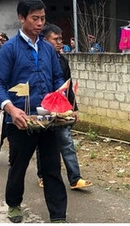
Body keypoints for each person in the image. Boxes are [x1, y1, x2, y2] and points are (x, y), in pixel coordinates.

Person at [0, 0, 67, 223]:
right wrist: (11, 110)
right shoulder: (9, 50)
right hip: (20, 119)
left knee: (52, 168)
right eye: (35, 18)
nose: (40, 23)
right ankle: (14, 204)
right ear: (21, 18)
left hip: (47, 120)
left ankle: (58, 215)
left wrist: (61, 101)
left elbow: (57, 78)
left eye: (43, 18)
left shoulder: (47, 49)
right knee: (19, 165)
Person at [36, 23, 92, 190]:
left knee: (67, 142)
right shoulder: (38, 59)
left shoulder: (63, 60)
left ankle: (75, 178)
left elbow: (69, 85)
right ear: (44, 40)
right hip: (44, 106)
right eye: (56, 39)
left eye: (61, 39)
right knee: (43, 143)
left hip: (61, 107)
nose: (60, 42)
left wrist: (74, 108)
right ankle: (43, 175)